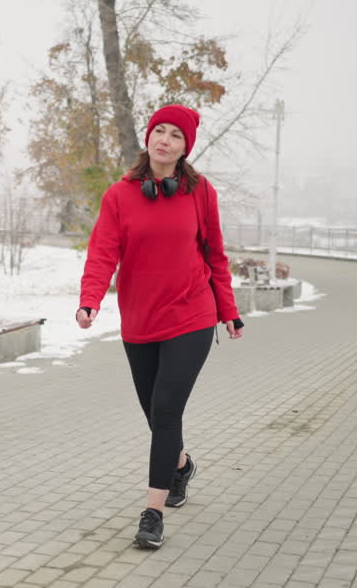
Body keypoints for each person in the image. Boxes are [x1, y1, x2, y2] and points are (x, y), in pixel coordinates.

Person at [77, 104, 243, 550]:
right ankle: (181, 464)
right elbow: (101, 254)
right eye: (159, 131)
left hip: (191, 315)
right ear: (148, 138)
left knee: (167, 409)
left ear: (186, 147)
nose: (165, 140)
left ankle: (152, 512)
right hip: (140, 319)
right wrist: (90, 300)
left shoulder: (200, 192)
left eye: (175, 135)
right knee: (155, 413)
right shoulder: (119, 196)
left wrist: (228, 310)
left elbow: (215, 254)